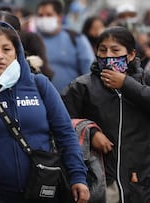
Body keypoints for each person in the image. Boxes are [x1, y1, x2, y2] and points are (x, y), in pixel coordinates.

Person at [0, 20, 89, 203]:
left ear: (17, 53)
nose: (0, 56)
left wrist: (78, 176)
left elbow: (66, 133)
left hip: (41, 189)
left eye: (6, 49)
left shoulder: (39, 84)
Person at [61, 26, 150, 203]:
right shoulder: (82, 86)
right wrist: (90, 132)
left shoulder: (145, 81)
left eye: (115, 50)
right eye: (103, 50)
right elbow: (62, 121)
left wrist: (126, 85)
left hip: (142, 179)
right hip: (103, 179)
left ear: (131, 55)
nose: (108, 55)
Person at [35, 0, 94, 93]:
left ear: (60, 17)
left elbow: (89, 71)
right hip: (40, 100)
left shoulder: (75, 38)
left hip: (71, 100)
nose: (44, 19)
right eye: (40, 15)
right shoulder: (32, 39)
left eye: (49, 15)